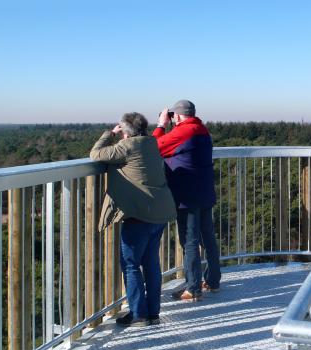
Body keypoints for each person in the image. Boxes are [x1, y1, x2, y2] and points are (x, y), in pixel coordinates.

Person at [90, 112, 176, 326]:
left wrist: (110, 133)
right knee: (151, 263)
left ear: (126, 134)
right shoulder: (152, 144)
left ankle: (138, 314)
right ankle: (153, 313)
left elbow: (95, 154)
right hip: (160, 212)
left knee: (130, 264)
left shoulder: (126, 147)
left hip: (140, 214)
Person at [153, 100, 221, 302]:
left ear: (179, 116)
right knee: (207, 237)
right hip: (204, 193)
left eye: (173, 115)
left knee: (190, 241)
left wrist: (161, 125)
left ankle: (193, 289)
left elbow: (154, 147)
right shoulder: (201, 129)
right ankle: (212, 281)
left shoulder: (185, 131)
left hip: (187, 196)